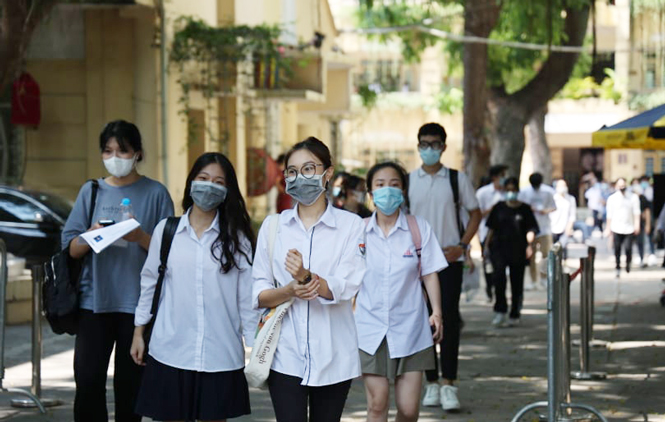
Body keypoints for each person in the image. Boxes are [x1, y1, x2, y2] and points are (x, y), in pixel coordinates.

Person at [129, 152, 256, 421]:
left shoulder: (237, 239)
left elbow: (247, 299)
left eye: (219, 182)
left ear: (227, 191)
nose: (209, 186)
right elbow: (149, 282)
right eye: (203, 178)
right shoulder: (167, 231)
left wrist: (256, 348)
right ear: (191, 183)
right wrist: (138, 332)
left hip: (220, 356)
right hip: (170, 351)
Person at [61, 120, 174, 422]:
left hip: (138, 307)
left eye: (122, 151)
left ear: (137, 153)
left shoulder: (156, 193)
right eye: (108, 151)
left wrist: (140, 237)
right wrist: (92, 235)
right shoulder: (91, 191)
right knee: (88, 384)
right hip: (93, 303)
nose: (114, 158)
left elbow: (170, 253)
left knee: (131, 390)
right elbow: (70, 248)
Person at [252, 137, 366, 422]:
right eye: (292, 171)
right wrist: (290, 290)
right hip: (284, 355)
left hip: (334, 355)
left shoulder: (350, 226)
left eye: (308, 169)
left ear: (328, 173)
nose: (299, 177)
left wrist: (305, 277)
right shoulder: (273, 227)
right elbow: (259, 293)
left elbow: (346, 285)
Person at [355, 162, 446, 422]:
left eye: (394, 185)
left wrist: (436, 312)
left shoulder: (418, 229)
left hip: (411, 329)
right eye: (380, 185)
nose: (387, 190)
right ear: (370, 193)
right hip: (370, 329)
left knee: (408, 410)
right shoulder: (358, 232)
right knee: (377, 405)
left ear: (403, 191)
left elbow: (429, 273)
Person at [408, 123, 481, 411]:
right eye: (424, 144)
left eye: (435, 144)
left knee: (448, 320)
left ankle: (449, 383)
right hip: (415, 263)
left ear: (444, 147)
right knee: (421, 321)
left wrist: (462, 245)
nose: (429, 149)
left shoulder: (455, 179)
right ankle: (431, 382)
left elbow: (475, 213)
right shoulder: (408, 181)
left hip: (449, 260)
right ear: (418, 146)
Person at [485, 177, 539, 327]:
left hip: (518, 249)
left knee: (517, 282)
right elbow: (491, 228)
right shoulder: (499, 207)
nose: (511, 193)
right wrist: (486, 246)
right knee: (499, 279)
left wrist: (529, 245)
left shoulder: (525, 209)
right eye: (508, 190)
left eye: (513, 190)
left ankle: (515, 311)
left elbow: (531, 229)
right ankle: (500, 310)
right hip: (499, 248)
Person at [475, 164, 508, 301]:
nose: (504, 178)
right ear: (494, 177)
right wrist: (493, 209)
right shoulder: (482, 193)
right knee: (488, 263)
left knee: (501, 266)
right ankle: (489, 286)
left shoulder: (507, 192)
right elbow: (476, 215)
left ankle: (500, 293)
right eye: (502, 175)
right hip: (486, 233)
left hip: (505, 235)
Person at [519, 173, 556, 290]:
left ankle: (544, 278)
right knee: (531, 256)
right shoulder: (525, 192)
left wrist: (545, 211)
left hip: (545, 228)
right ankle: (533, 280)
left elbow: (554, 206)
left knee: (546, 255)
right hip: (530, 229)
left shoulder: (548, 191)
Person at [605, 178, 641, 278]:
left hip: (629, 227)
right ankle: (617, 267)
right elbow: (609, 215)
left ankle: (628, 263)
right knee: (617, 248)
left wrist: (637, 224)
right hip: (616, 227)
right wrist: (608, 228)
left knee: (628, 248)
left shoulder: (633, 197)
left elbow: (636, 212)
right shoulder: (612, 198)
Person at [629, 182, 651, 268]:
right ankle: (629, 260)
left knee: (640, 242)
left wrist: (647, 224)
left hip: (640, 224)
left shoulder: (643, 199)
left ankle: (641, 259)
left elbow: (647, 212)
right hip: (630, 224)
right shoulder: (629, 198)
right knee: (629, 244)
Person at [551, 179, 577, 246]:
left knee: (562, 247)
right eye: (560, 186)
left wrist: (569, 227)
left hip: (565, 228)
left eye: (564, 185)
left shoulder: (571, 199)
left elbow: (572, 215)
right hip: (552, 228)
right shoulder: (552, 198)